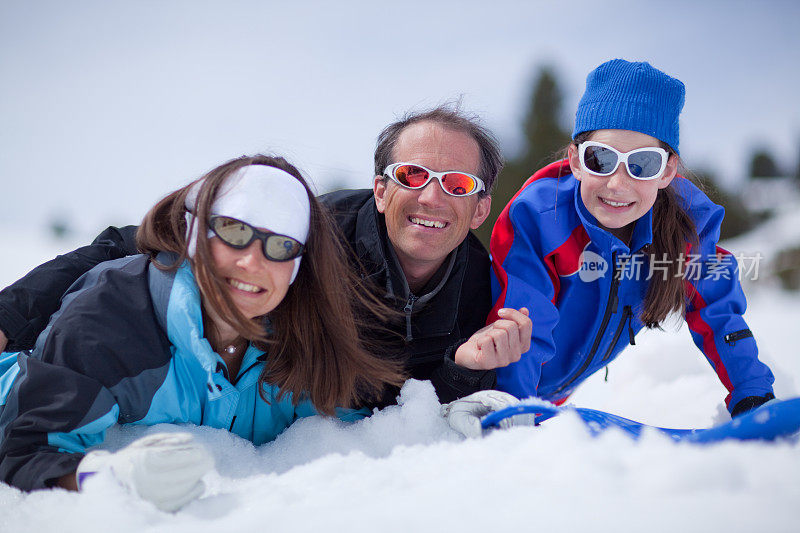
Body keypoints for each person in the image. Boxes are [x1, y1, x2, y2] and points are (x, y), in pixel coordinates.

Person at [0, 107, 532, 407]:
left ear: (482, 206)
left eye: (457, 184)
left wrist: (463, 374)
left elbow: (409, 409)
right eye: (413, 176)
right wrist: (9, 319)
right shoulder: (314, 228)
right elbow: (133, 242)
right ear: (379, 190)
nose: (433, 198)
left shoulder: (481, 291)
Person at [0, 155, 404, 509]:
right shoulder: (110, 321)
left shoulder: (307, 336)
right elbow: (25, 452)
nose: (252, 261)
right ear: (195, 234)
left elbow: (360, 425)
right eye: (234, 230)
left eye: (281, 246)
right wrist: (108, 480)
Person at [481, 59, 775, 421]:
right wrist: (515, 411)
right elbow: (522, 327)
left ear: (667, 170)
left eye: (642, 164)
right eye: (601, 159)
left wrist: (752, 394)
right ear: (575, 161)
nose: (618, 183)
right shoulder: (540, 220)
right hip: (486, 384)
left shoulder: (688, 228)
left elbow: (719, 314)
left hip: (552, 398)